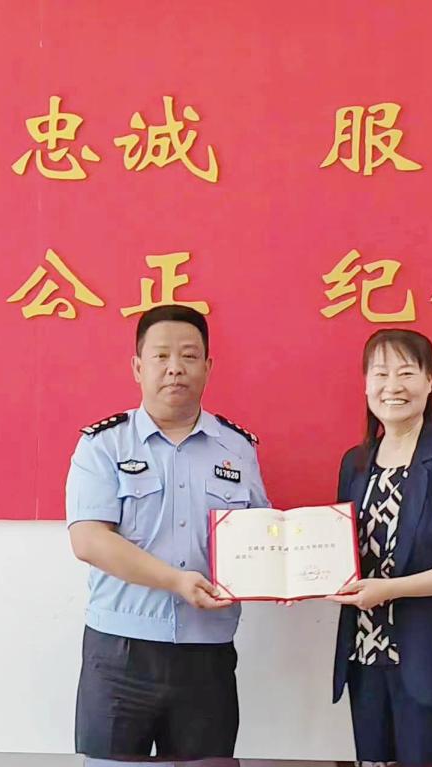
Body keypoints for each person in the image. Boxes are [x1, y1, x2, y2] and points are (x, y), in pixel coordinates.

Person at [66, 304, 269, 760]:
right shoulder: (103, 444)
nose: (175, 368)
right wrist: (176, 581)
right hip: (120, 656)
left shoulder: (238, 448)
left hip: (207, 657)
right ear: (137, 367)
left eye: (189, 356)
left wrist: (291, 573)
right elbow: (89, 540)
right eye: (160, 356)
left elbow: (259, 538)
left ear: (208, 367)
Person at [328, 328, 432, 764]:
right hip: (365, 655)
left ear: (429, 381)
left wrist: (391, 589)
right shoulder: (355, 463)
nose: (393, 386)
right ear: (365, 383)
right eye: (380, 373)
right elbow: (340, 550)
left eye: (406, 373)